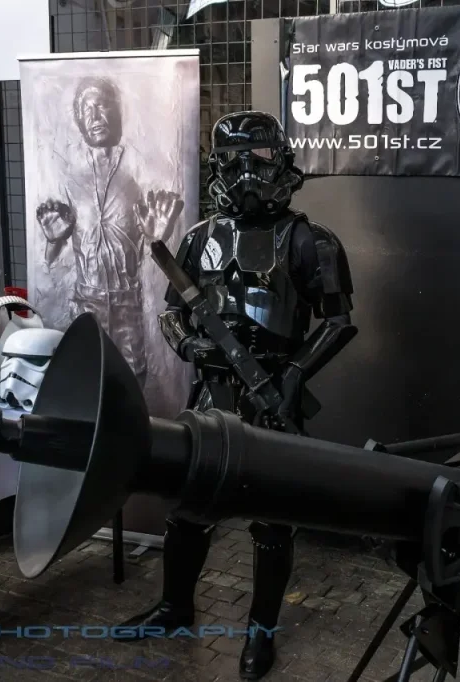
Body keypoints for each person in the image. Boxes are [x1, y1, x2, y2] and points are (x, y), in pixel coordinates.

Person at [122, 111, 357, 680]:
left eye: (260, 157)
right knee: (188, 509)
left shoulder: (311, 241)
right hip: (212, 395)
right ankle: (176, 607)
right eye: (234, 160)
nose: (247, 171)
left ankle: (260, 632)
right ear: (217, 167)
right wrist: (188, 345)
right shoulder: (199, 237)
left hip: (273, 396)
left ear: (282, 161)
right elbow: (172, 313)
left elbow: (338, 322)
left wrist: (295, 373)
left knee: (272, 522)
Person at [34, 77, 184, 386]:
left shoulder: (139, 173)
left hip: (127, 302)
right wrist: (52, 242)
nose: (95, 116)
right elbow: (49, 265)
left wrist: (159, 237)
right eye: (86, 110)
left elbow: (155, 247)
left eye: (102, 106)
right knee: (87, 378)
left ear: (116, 111)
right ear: (79, 120)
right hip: (87, 303)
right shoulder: (69, 181)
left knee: (133, 377)